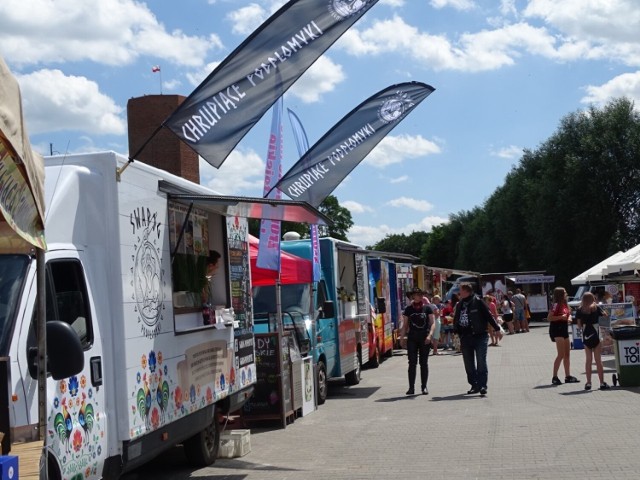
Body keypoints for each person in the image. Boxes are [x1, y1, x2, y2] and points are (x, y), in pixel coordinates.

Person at [453, 283, 503, 396]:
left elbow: (488, 316)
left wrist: (497, 329)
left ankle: (482, 386)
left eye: (460, 290)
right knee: (468, 364)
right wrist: (455, 330)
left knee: (481, 361)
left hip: (480, 335)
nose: (459, 292)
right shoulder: (460, 304)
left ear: (466, 291)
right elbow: (456, 318)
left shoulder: (478, 301)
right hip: (465, 337)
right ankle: (474, 385)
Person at [400, 287, 435, 395]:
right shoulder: (408, 309)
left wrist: (430, 335)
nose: (420, 296)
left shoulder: (427, 308)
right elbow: (405, 325)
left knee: (424, 363)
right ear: (413, 296)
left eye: (421, 294)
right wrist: (402, 338)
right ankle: (411, 387)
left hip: (424, 337)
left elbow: (433, 323)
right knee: (412, 363)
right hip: (412, 338)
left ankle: (424, 387)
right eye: (417, 294)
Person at [575, 292, 610, 390]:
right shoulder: (596, 308)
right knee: (598, 360)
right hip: (596, 334)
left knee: (588, 360)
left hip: (586, 335)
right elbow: (606, 315)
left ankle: (588, 383)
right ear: (592, 298)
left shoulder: (580, 310)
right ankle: (602, 383)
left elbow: (578, 325)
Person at [548, 286, 579, 385]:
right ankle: (554, 376)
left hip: (564, 328)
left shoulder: (565, 304)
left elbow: (568, 313)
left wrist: (569, 317)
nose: (566, 294)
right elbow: (549, 318)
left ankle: (568, 376)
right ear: (560, 294)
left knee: (567, 354)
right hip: (557, 329)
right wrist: (561, 317)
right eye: (565, 292)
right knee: (560, 354)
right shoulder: (556, 305)